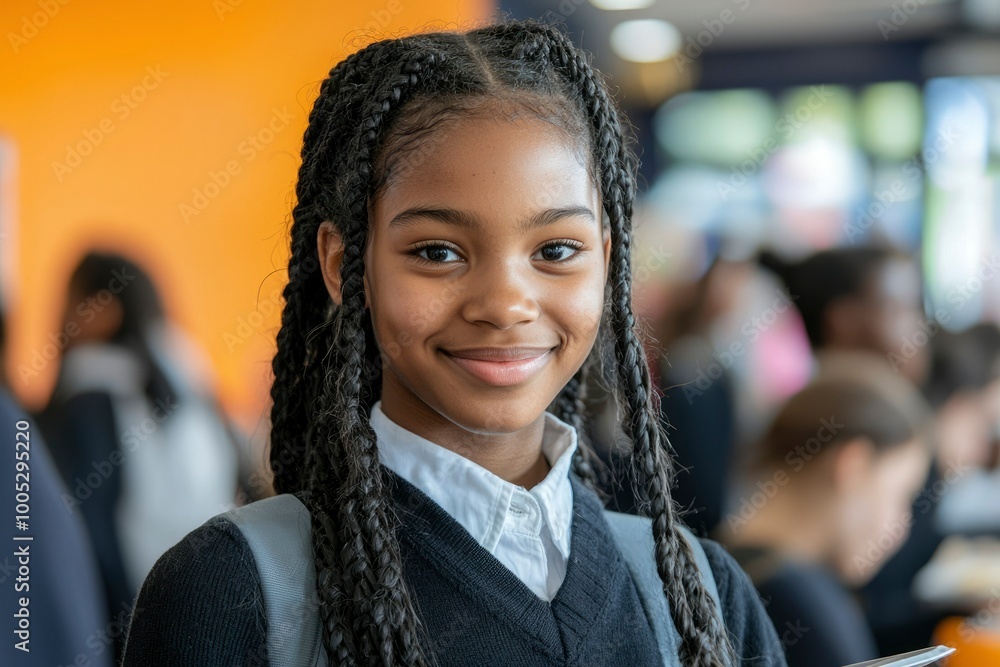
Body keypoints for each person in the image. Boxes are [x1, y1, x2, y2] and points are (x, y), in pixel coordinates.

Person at [121, 20, 785, 667]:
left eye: (556, 249)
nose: (503, 304)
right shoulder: (231, 593)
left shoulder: (698, 593)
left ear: (607, 262)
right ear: (343, 265)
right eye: (437, 251)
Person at [37, 252, 243, 662]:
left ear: (104, 311)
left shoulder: (89, 389)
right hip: (215, 603)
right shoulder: (190, 372)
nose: (60, 320)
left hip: (131, 618)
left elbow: (85, 523)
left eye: (72, 303)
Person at [717, 353, 932, 667]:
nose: (900, 527)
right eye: (900, 496)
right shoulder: (799, 601)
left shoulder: (716, 565)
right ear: (852, 466)